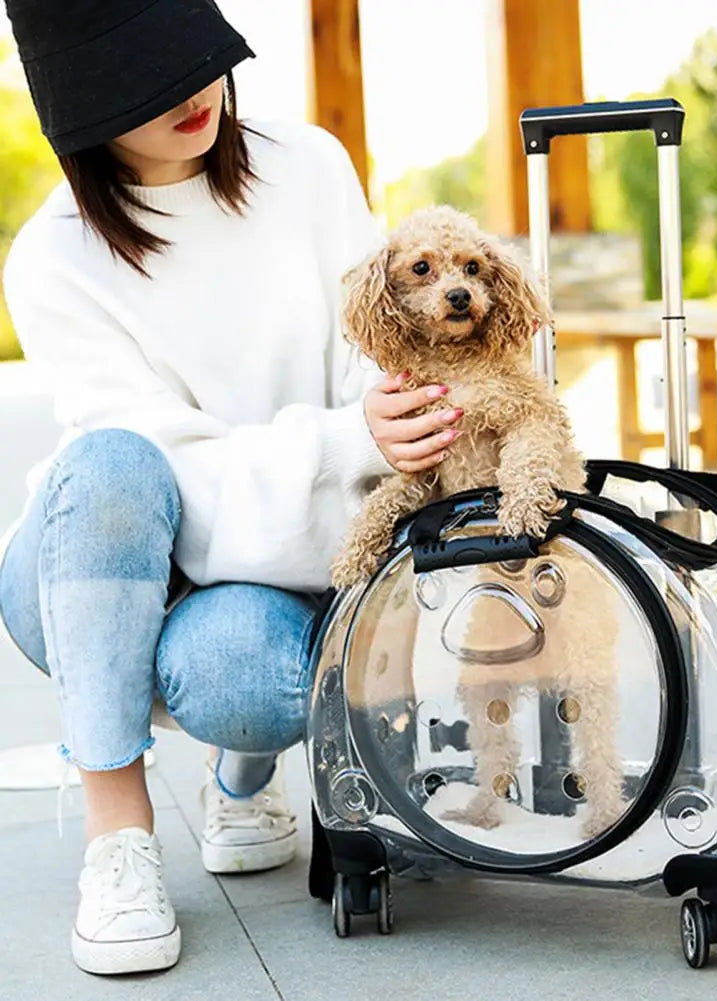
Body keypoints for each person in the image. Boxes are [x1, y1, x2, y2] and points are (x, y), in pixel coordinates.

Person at [0, 0, 462, 977]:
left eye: (194, 59)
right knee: (118, 457)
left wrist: (395, 419)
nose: (190, 93)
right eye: (143, 83)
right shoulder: (51, 258)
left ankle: (241, 773)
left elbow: (366, 364)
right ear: (80, 112)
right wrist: (342, 440)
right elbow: (162, 470)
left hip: (272, 560)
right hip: (106, 557)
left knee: (255, 684)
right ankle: (115, 836)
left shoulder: (308, 168)